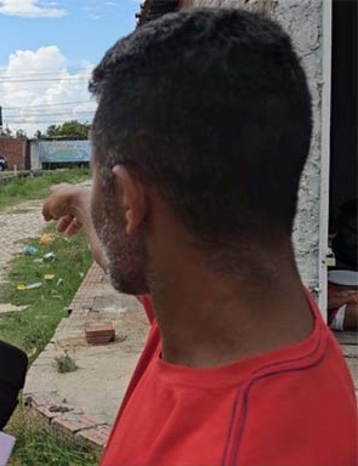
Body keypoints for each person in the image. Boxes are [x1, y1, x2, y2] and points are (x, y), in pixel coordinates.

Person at [42, 9, 356, 466]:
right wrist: (80, 198)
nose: (94, 200)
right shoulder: (251, 316)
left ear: (131, 203)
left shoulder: (231, 446)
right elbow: (120, 255)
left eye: (98, 185)